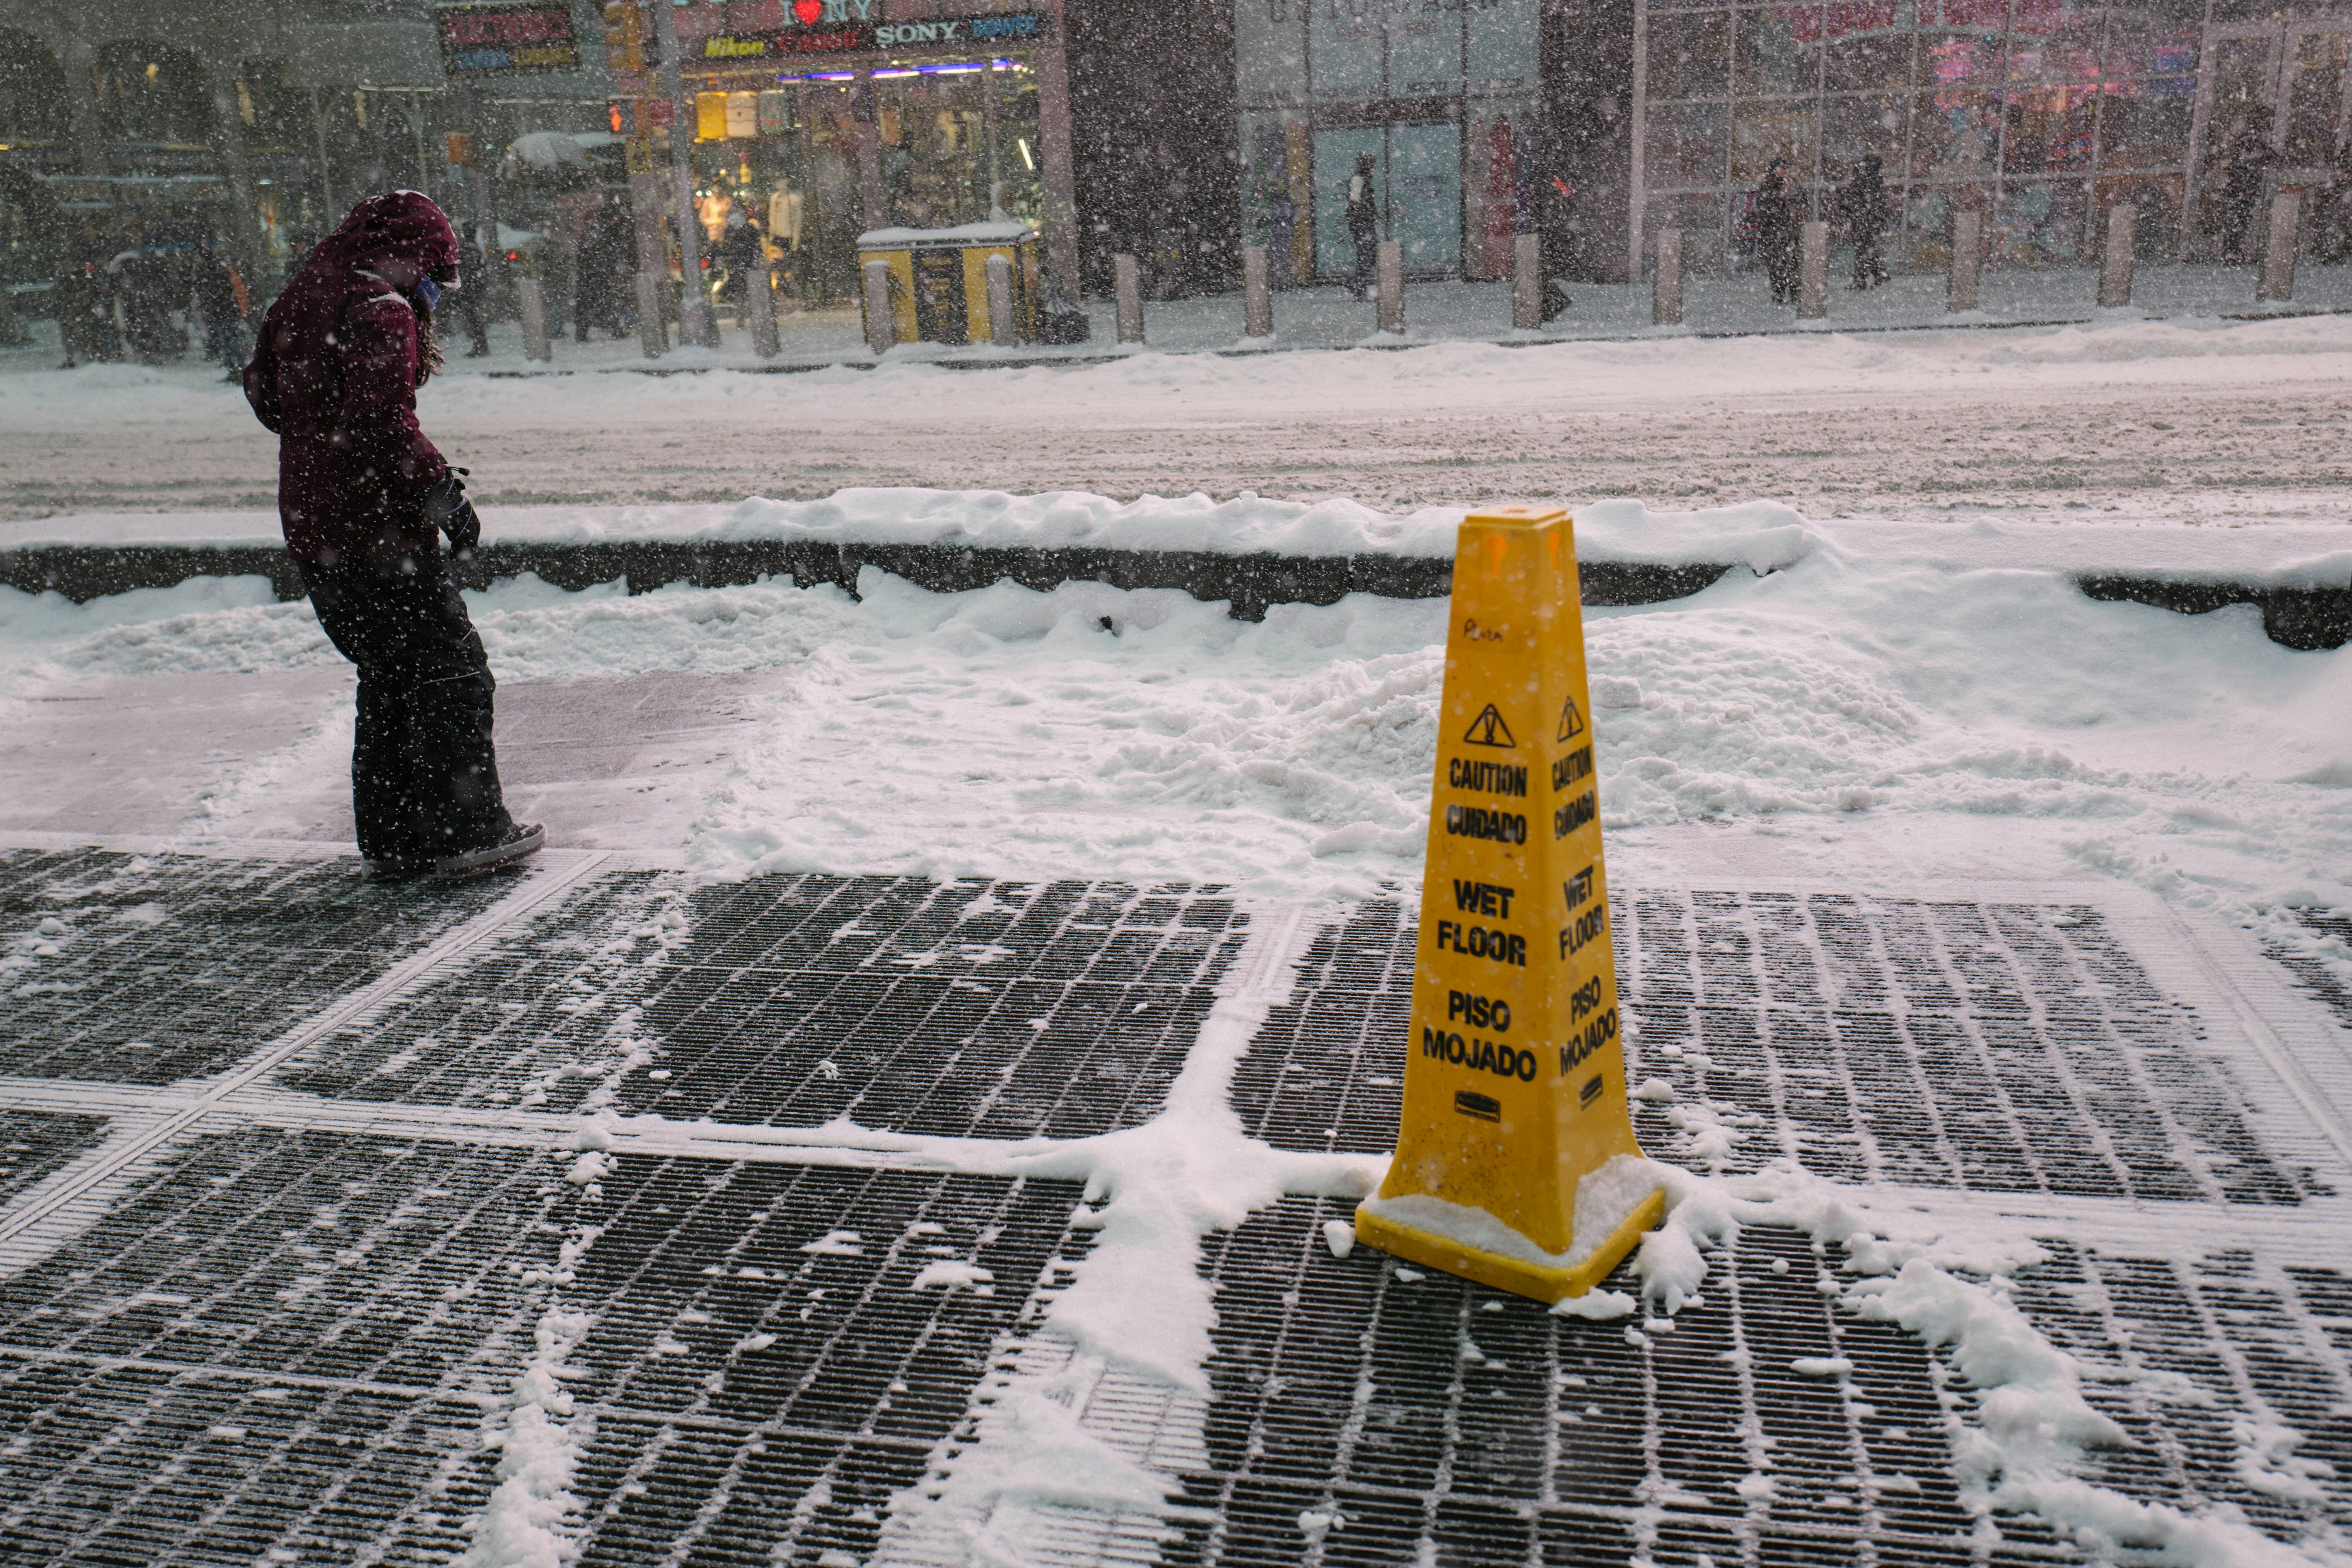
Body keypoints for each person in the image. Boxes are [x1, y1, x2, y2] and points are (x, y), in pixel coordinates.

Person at [242, 190, 542, 883]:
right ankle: (467, 831)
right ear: (407, 256)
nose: (432, 293)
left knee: (389, 683)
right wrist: (443, 495)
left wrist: (322, 438)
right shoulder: (381, 307)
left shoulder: (302, 295)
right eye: (434, 276)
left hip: (317, 532)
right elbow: (382, 422)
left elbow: (263, 392)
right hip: (380, 537)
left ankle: (395, 836)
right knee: (455, 674)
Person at [2218, 108, 2278, 266]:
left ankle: (2234, 251)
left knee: (2239, 218)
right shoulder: (2250, 137)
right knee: (2238, 218)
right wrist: (2268, 158)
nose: (2269, 123)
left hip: (2242, 186)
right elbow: (2250, 159)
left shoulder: (2251, 136)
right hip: (2242, 186)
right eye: (2267, 119)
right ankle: (2232, 253)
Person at [191, 239, 250, 380]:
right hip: (225, 311)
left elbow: (211, 291)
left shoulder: (209, 270)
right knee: (230, 341)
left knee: (229, 341)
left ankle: (237, 370)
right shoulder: (219, 268)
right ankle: (236, 370)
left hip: (222, 311)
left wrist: (210, 303)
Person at [1837, 152, 1892, 289]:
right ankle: (1878, 273)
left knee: (1862, 250)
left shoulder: (1862, 179)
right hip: (1872, 220)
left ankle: (1863, 279)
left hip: (1863, 220)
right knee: (1867, 249)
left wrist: (1845, 206)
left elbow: (1853, 198)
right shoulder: (1875, 180)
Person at [1754, 157, 1805, 305]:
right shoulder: (1769, 186)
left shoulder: (1793, 185)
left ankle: (1794, 293)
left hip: (1789, 232)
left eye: (1786, 168)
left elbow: (1802, 203)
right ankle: (1779, 295)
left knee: (1793, 264)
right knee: (1777, 266)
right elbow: (1767, 209)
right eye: (1781, 168)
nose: (1784, 171)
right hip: (1774, 233)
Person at [717, 207, 765, 327]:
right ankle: (741, 322)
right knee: (739, 295)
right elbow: (727, 249)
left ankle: (757, 321)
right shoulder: (730, 231)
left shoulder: (750, 229)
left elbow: (757, 247)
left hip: (749, 266)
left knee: (750, 294)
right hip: (736, 267)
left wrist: (758, 259)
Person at [1346, 152, 1380, 301]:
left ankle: (1358, 284)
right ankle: (1357, 285)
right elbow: (1355, 202)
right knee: (1366, 255)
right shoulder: (1359, 180)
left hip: (1364, 223)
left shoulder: (1364, 180)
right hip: (1362, 224)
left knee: (1368, 254)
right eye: (1371, 164)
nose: (1373, 168)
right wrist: (1366, 215)